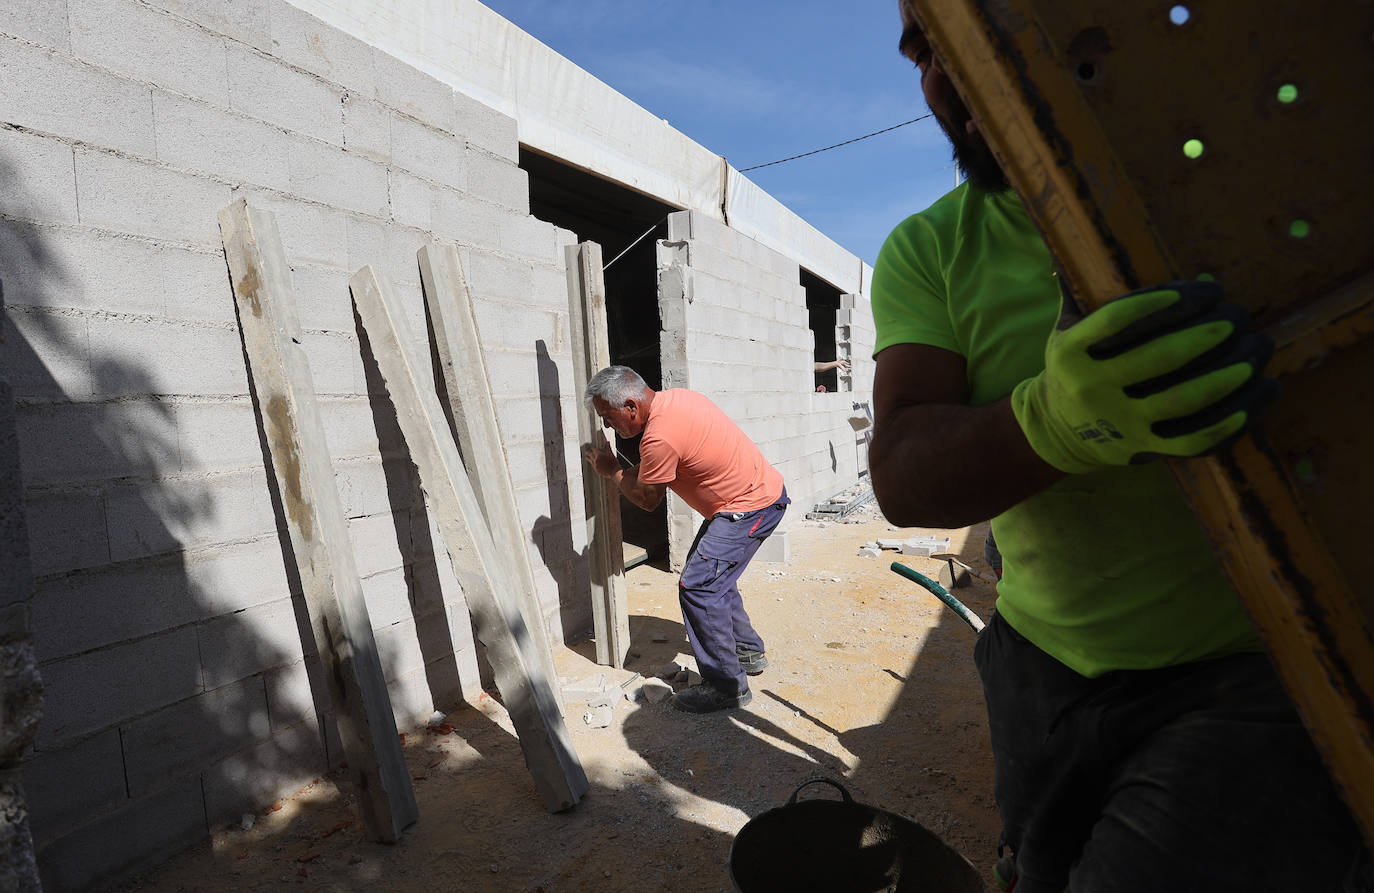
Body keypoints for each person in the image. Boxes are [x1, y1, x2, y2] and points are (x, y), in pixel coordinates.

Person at [868, 3, 1366, 891]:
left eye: (963, 33)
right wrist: (1058, 421)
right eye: (921, 53)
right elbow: (902, 475)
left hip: (1249, 668)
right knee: (1040, 868)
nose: (941, 76)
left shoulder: (1250, 180)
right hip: (1037, 665)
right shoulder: (930, 249)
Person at [581, 365, 789, 713]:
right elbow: (657, 464)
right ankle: (747, 651)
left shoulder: (659, 437)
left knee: (698, 586)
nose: (607, 426)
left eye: (608, 417)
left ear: (630, 406)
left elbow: (648, 499)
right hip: (752, 499)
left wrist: (613, 470)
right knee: (714, 578)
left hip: (749, 508)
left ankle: (727, 686)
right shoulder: (677, 400)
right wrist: (624, 470)